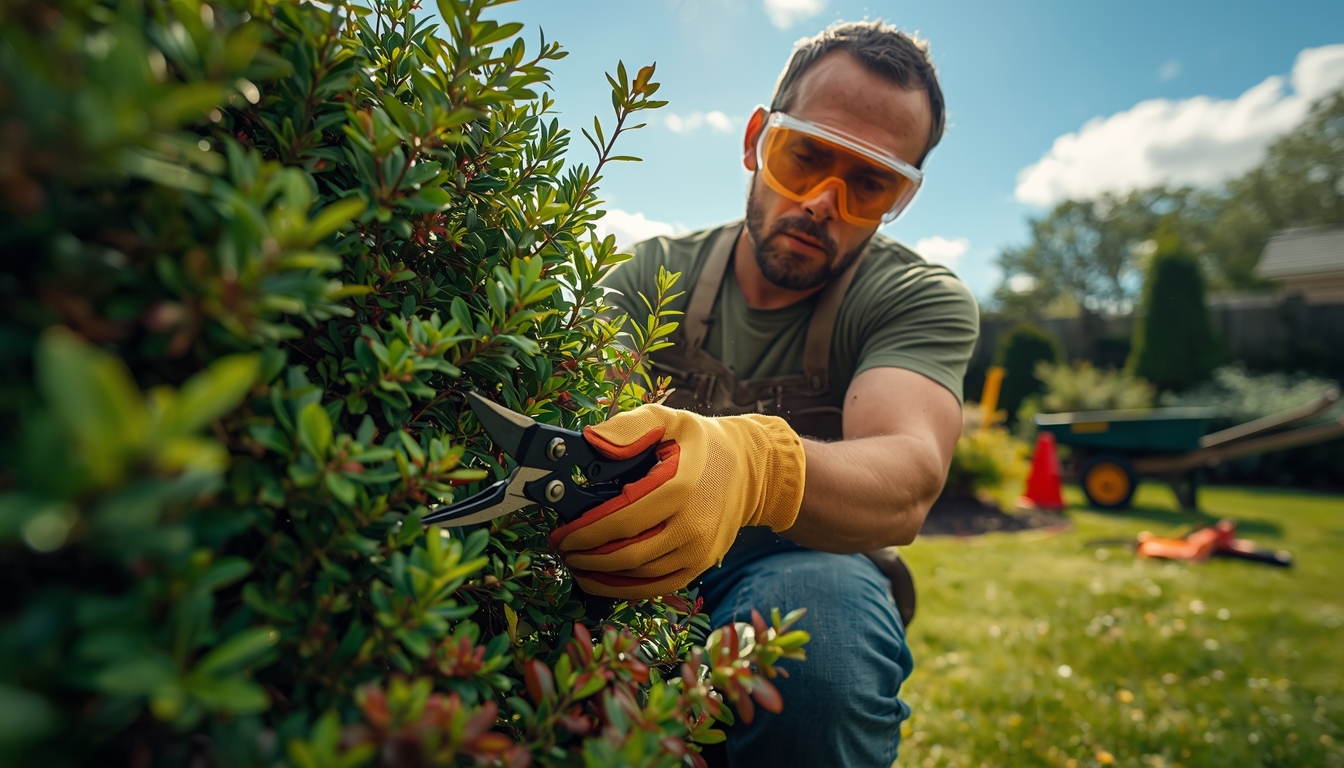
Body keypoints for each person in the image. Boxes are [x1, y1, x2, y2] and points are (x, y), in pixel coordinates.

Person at [548, 20, 979, 767]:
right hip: (636, 546)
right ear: (755, 140)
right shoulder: (652, 273)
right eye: (804, 157)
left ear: (900, 201)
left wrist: (757, 465)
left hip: (808, 562)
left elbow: (908, 475)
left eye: (869, 183)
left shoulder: (915, 298)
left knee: (821, 661)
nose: (822, 202)